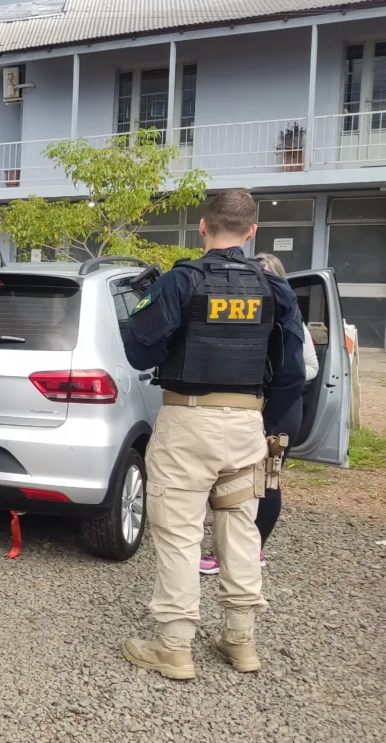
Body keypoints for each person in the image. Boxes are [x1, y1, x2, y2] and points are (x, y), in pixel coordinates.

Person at [121, 189, 305, 680]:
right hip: (248, 423)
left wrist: (143, 304)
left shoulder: (183, 280)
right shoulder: (274, 288)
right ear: (252, 232)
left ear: (202, 228)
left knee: (180, 534)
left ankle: (174, 648)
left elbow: (140, 353)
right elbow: (291, 371)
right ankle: (240, 641)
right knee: (240, 530)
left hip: (187, 422)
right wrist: (269, 425)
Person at [199, 252, 318, 575]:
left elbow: (309, 367)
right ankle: (226, 548)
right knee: (232, 480)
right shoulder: (246, 313)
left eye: (266, 275)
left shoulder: (290, 317)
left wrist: (271, 384)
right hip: (245, 406)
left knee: (266, 481)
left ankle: (251, 550)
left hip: (279, 408)